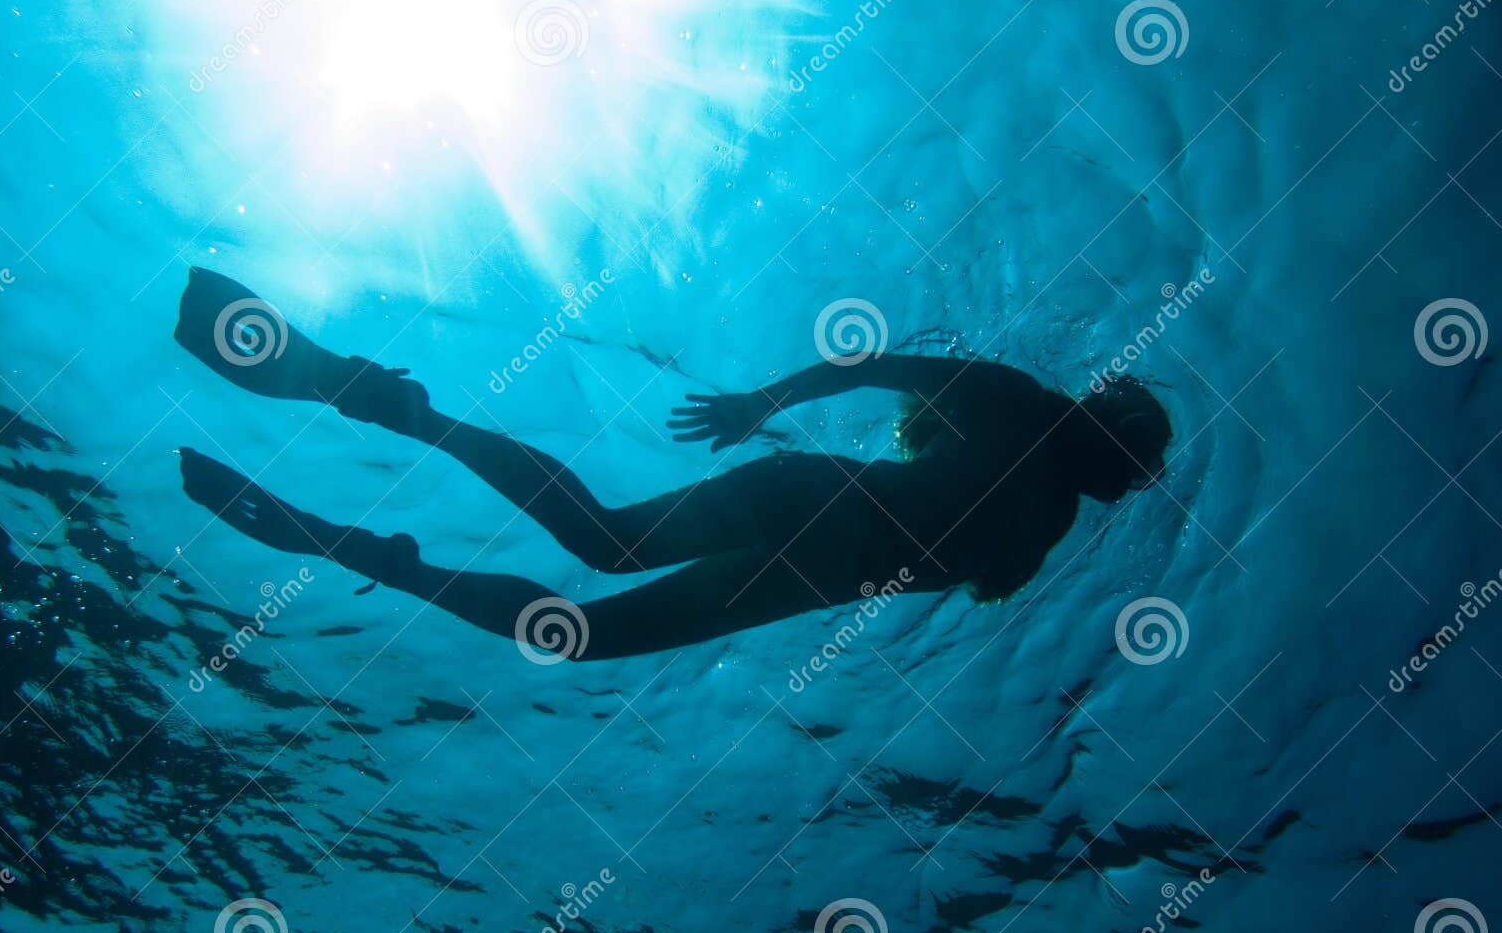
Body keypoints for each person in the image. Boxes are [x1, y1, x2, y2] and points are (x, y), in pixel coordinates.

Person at [174, 268, 1170, 661]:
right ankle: (404, 410)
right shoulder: (1019, 407)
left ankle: (400, 561)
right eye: (1132, 449)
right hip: (811, 501)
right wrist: (758, 401)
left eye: (1133, 468)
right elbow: (878, 365)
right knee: (604, 542)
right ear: (1105, 419)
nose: (1125, 476)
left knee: (579, 633)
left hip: (805, 569)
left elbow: (966, 562)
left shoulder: (1045, 524)